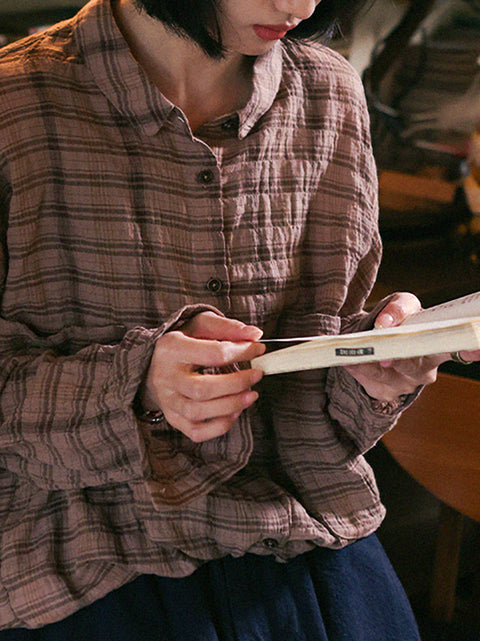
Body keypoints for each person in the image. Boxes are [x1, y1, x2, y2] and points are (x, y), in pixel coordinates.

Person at [0, 0, 477, 639]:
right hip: (77, 557)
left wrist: (375, 371)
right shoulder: (18, 104)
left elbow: (316, 399)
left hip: (298, 536)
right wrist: (139, 386)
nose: (301, 5)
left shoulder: (328, 94)